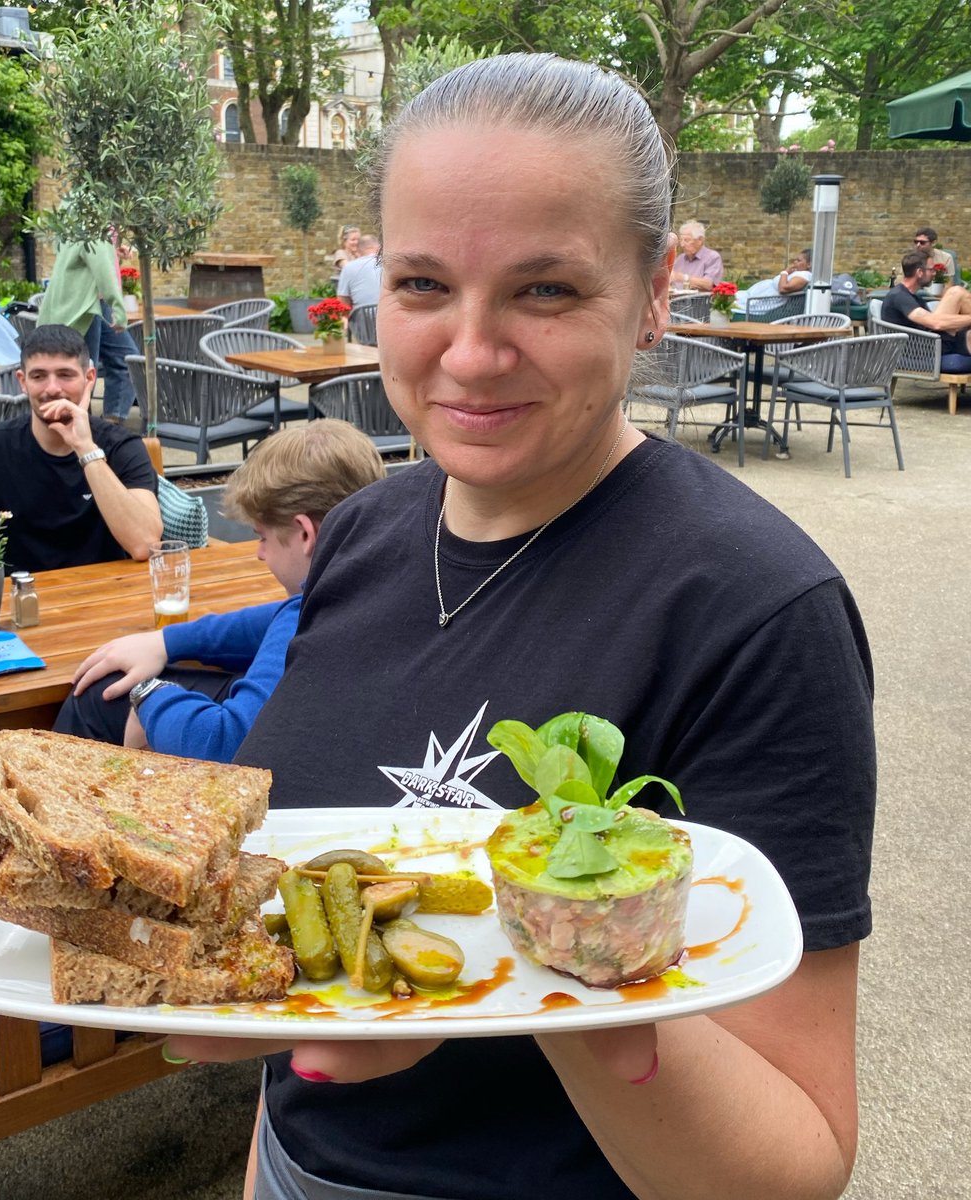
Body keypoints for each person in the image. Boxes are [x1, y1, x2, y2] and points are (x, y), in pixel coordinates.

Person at [158, 54, 874, 1200]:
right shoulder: (359, 535)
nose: (473, 352)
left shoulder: (756, 613)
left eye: (546, 291)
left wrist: (562, 948)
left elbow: (790, 1168)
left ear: (652, 303)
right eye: (424, 284)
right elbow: (318, 919)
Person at [56, 420, 385, 758]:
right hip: (358, 749)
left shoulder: (316, 611)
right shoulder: (385, 577)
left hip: (293, 788)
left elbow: (225, 742)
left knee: (101, 695)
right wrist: (166, 642)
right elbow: (277, 618)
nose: (259, 553)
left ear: (304, 534)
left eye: (262, 537)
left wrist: (147, 695)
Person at [0, 323, 161, 573]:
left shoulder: (121, 447)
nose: (52, 389)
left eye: (65, 375)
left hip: (105, 594)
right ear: (22, 381)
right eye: (39, 376)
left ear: (89, 379)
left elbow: (145, 544)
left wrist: (86, 449)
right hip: (20, 597)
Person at [38, 238, 139, 423]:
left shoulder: (92, 216)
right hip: (84, 304)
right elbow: (100, 264)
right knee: (81, 374)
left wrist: (112, 251)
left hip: (96, 301)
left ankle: (107, 427)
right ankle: (70, 430)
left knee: (126, 360)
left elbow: (85, 252)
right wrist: (118, 305)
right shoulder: (91, 213)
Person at [880, 250, 971, 373]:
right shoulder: (899, 296)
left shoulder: (913, 296)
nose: (934, 273)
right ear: (919, 272)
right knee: (956, 292)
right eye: (931, 269)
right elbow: (935, 323)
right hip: (922, 349)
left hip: (930, 341)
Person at [734, 247, 812, 310]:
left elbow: (783, 288)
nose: (795, 262)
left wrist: (785, 273)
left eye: (798, 260)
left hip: (763, 303)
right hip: (755, 296)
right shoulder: (798, 273)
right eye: (795, 260)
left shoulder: (804, 275)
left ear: (809, 264)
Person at [669, 218, 723, 292]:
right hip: (677, 300)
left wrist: (683, 278)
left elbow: (709, 284)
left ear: (700, 240)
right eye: (681, 240)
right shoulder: (680, 259)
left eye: (687, 240)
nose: (682, 245)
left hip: (699, 301)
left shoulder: (712, 257)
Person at [335, 233, 382, 309]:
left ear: (359, 249)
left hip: (360, 317)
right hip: (387, 316)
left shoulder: (349, 267)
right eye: (353, 239)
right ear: (379, 247)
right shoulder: (389, 263)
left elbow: (342, 300)